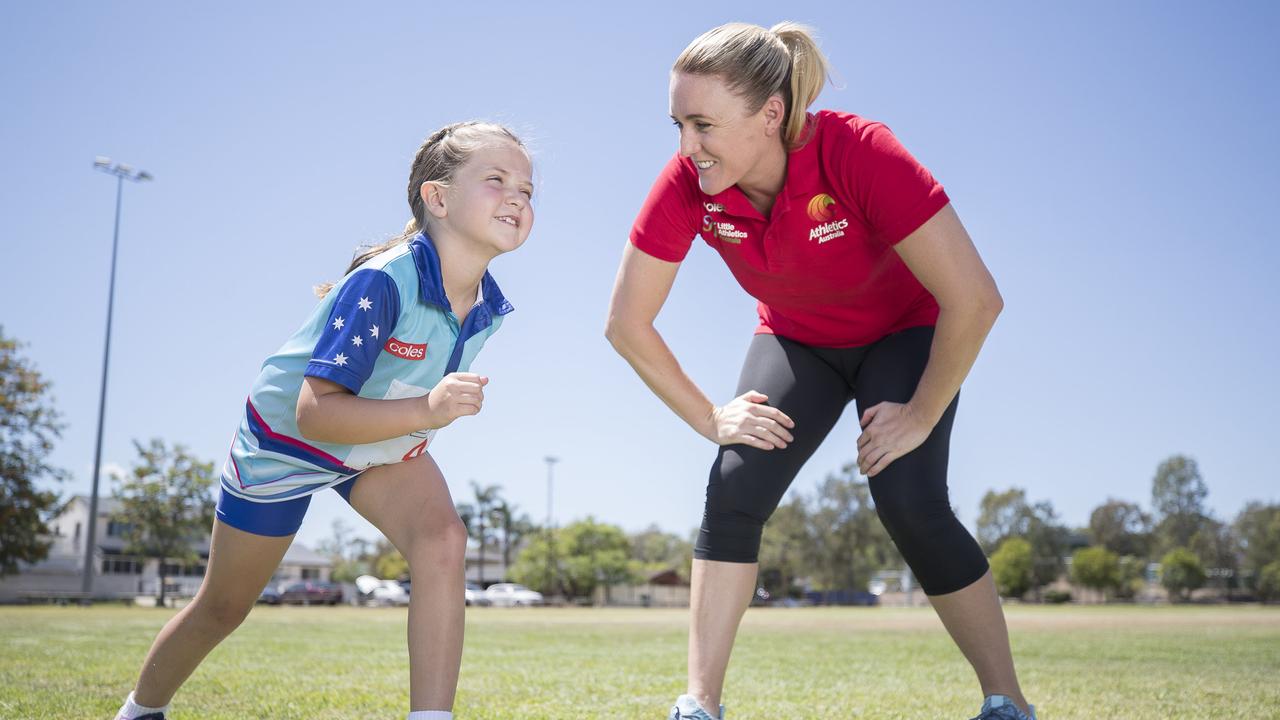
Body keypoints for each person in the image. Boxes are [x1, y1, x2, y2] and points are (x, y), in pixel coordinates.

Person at [605, 22, 1035, 720]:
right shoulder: (689, 183)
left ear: (770, 114)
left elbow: (975, 298)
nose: (688, 146)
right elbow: (626, 323)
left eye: (704, 124)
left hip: (905, 331)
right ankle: (699, 705)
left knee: (909, 498)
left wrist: (921, 412)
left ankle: (1006, 701)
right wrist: (711, 416)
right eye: (679, 124)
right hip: (797, 340)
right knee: (735, 486)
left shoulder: (857, 151)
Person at [114, 121, 534, 720]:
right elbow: (315, 413)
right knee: (224, 607)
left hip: (375, 443)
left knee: (443, 540)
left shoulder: (489, 306)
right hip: (285, 444)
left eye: (527, 187)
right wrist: (428, 410)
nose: (518, 196)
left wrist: (416, 421)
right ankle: (139, 711)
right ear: (437, 198)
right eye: (496, 180)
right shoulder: (383, 280)